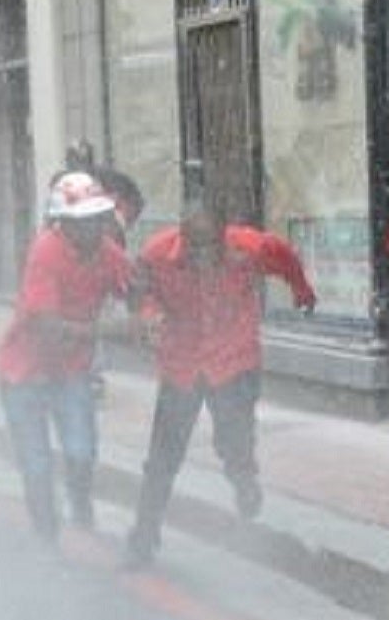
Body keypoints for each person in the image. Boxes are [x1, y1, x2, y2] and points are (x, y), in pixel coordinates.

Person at [121, 204, 316, 570]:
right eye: (194, 248)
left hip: (234, 359)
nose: (202, 257)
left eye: (210, 247)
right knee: (162, 459)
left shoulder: (249, 247)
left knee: (234, 438)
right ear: (183, 236)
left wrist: (302, 291)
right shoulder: (156, 254)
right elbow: (137, 292)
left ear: (223, 236)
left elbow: (286, 258)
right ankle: (143, 537)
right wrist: (148, 316)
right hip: (182, 364)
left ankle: (243, 478)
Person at [0, 172, 132, 546]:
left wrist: (151, 313)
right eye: (84, 221)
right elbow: (46, 323)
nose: (94, 228)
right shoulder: (46, 251)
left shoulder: (107, 252)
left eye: (97, 218)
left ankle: (80, 505)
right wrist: (106, 331)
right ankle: (47, 538)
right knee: (37, 465)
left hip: (69, 371)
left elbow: (133, 287)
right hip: (24, 373)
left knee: (81, 451)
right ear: (65, 224)